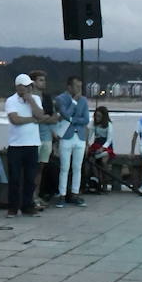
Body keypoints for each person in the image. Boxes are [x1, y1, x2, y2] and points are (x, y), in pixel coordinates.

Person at [4, 74, 45, 218]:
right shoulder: (11, 101)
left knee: (30, 177)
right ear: (18, 87)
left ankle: (28, 206)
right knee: (15, 178)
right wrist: (31, 119)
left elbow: (40, 116)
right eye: (25, 86)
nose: (28, 88)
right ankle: (13, 207)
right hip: (16, 145)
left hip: (32, 143)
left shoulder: (36, 99)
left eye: (30, 86)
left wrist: (31, 102)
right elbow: (15, 119)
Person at [53, 76, 89, 207]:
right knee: (64, 167)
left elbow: (86, 119)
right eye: (76, 86)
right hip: (66, 136)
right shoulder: (60, 99)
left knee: (77, 167)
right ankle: (62, 195)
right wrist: (73, 102)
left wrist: (73, 119)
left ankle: (75, 193)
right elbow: (65, 114)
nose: (79, 89)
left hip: (80, 137)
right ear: (69, 87)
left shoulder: (84, 100)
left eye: (80, 86)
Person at [29, 70, 61, 209]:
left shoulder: (47, 98)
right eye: (40, 80)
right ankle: (30, 196)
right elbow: (34, 117)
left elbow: (54, 118)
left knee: (41, 167)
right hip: (33, 136)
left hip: (46, 135)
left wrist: (44, 119)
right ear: (34, 82)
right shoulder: (29, 98)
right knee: (32, 168)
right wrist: (45, 118)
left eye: (44, 80)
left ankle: (36, 195)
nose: (44, 82)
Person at [89, 105, 115, 190]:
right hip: (96, 145)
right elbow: (89, 136)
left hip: (106, 146)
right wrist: (87, 144)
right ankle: (97, 180)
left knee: (104, 162)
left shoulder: (109, 124)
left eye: (99, 116)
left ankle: (105, 183)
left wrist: (103, 148)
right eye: (96, 116)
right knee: (91, 160)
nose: (97, 118)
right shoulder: (93, 123)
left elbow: (109, 139)